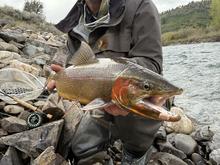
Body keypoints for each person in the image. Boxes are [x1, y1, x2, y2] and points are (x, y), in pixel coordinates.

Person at [48, 0, 163, 164]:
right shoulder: (74, 22)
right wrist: (63, 78)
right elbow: (75, 64)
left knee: (135, 139)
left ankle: (135, 153)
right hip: (99, 101)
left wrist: (111, 77)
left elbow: (152, 64)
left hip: (138, 96)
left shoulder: (141, 6)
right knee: (81, 148)